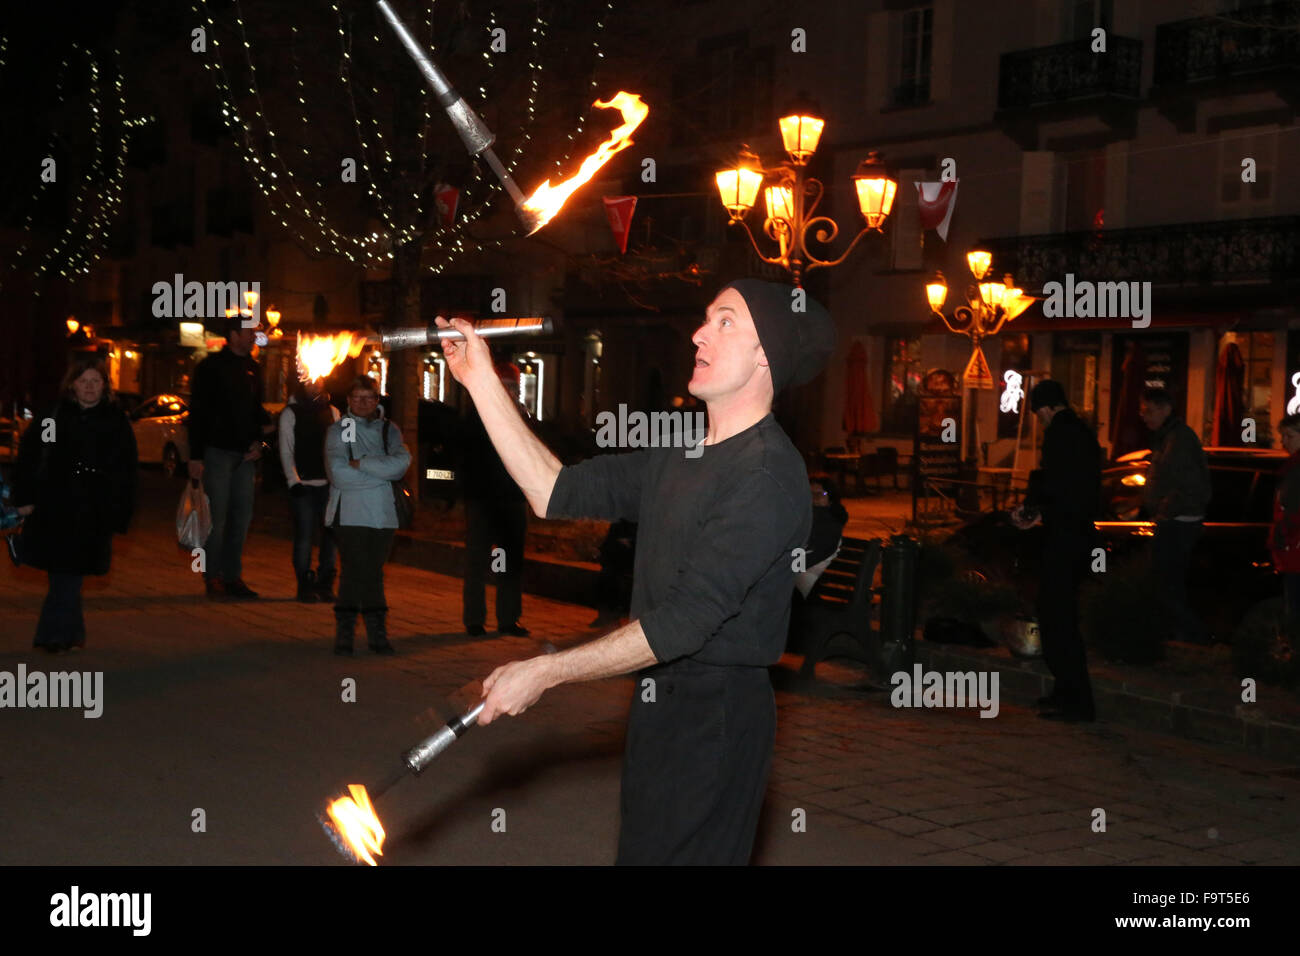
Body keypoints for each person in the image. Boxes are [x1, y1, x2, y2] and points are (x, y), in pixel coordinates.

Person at [440, 279, 834, 864]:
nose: (699, 334)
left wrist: (549, 671)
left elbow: (682, 623)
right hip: (658, 704)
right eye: (705, 320)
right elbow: (553, 489)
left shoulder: (768, 477)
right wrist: (480, 380)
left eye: (724, 322)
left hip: (716, 719)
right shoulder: (682, 452)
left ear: (765, 356)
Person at [11, 357, 137, 652]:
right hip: (55, 506)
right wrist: (25, 498)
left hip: (94, 509)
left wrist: (120, 511)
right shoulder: (54, 418)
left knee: (70, 574)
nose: (90, 387)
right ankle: (55, 636)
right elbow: (32, 457)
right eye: (84, 381)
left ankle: (63, 633)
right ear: (72, 385)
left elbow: (127, 470)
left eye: (96, 381)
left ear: (105, 385)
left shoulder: (115, 421)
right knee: (63, 574)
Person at [1011, 379, 1100, 722]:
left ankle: (1076, 700)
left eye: (1038, 413)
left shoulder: (1061, 436)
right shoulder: (1081, 433)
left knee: (1056, 617)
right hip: (1076, 536)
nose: (1039, 420)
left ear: (1046, 408)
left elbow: (1057, 485)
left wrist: (1034, 511)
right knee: (1057, 615)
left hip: (1066, 537)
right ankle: (1066, 692)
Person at [187, 316, 273, 600]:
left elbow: (255, 411)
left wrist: (262, 442)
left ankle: (233, 576)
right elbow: (197, 413)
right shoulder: (210, 367)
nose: (254, 337)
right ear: (233, 335)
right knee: (217, 518)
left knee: (242, 518)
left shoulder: (253, 368)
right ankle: (213, 577)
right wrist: (196, 456)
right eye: (249, 332)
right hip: (217, 453)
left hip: (245, 457)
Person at [325, 375, 411, 655]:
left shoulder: (390, 430)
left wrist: (361, 464)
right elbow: (338, 474)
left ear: (377, 400)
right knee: (354, 572)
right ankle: (352, 634)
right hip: (349, 513)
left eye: (368, 397)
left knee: (373, 572)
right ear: (348, 400)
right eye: (357, 397)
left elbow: (400, 465)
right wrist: (381, 473)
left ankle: (372, 632)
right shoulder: (341, 430)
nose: (362, 403)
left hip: (384, 515)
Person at [459, 362, 531, 637]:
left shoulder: (521, 414)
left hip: (512, 500)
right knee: (477, 560)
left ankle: (508, 619)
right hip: (482, 500)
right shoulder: (478, 413)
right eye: (505, 385)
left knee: (511, 561)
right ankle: (474, 619)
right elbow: (468, 455)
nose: (510, 391)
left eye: (513, 386)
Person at [1139, 387, 1212, 643]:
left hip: (1177, 523)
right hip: (1175, 521)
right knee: (1168, 583)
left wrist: (1164, 513)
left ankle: (1192, 635)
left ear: (1166, 409)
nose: (1144, 416)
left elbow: (1186, 485)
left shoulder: (1178, 440)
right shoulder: (1169, 437)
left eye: (1149, 411)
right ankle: (1181, 635)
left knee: (1166, 583)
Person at [279, 377, 340, 602]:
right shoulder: (291, 413)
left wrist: (338, 480)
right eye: (310, 381)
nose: (315, 385)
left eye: (319, 381)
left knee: (330, 535)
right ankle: (304, 584)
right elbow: (286, 449)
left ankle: (325, 582)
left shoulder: (333, 412)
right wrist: (292, 481)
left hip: (328, 485)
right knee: (304, 535)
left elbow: (339, 449)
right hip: (302, 486)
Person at [1269, 414, 1300, 639]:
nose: (1284, 442)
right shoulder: (1291, 468)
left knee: (1294, 614)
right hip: (1292, 551)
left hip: (1295, 552)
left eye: (1289, 436)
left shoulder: (1295, 470)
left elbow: (1292, 512)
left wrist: (1281, 533)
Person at [795, 475, 849, 599]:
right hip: (800, 583)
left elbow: (812, 555)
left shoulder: (828, 524)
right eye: (810, 493)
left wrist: (784, 566)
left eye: (821, 493)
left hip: (804, 586)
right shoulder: (804, 519)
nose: (815, 498)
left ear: (831, 498)